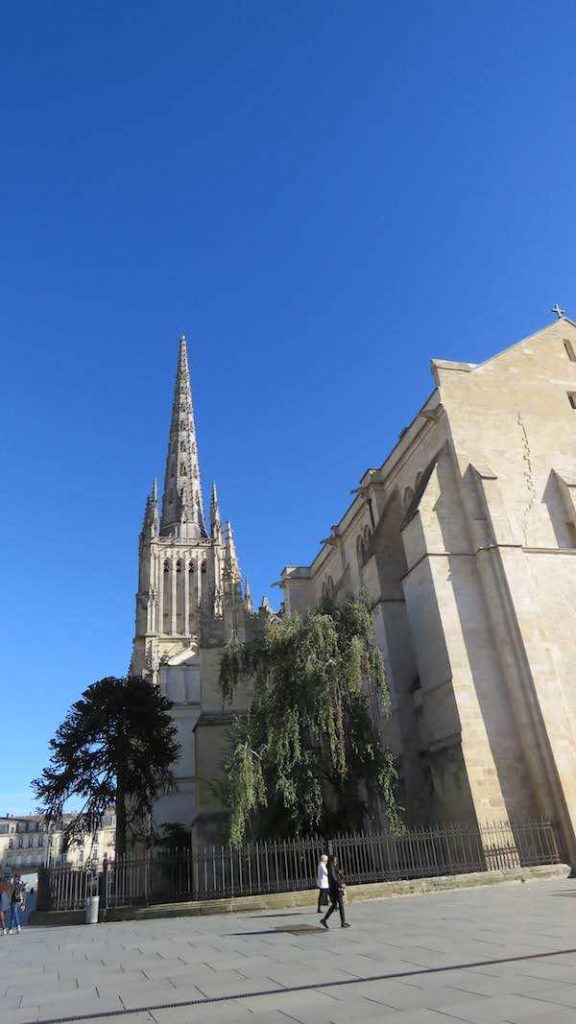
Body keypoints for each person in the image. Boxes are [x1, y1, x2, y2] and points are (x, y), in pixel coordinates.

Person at [320, 854, 350, 929]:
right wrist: (341, 885)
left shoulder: (331, 866)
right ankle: (343, 922)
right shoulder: (331, 866)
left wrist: (339, 872)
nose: (336, 861)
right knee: (341, 905)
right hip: (336, 888)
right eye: (335, 860)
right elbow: (334, 878)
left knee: (334, 905)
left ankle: (324, 920)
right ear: (332, 860)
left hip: (332, 888)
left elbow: (334, 874)